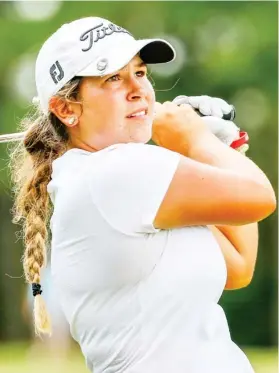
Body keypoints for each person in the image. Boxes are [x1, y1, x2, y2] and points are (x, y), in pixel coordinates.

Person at [6, 16, 276, 373]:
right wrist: (195, 140)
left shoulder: (117, 180)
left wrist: (221, 145)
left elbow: (238, 265)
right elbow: (260, 197)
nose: (138, 89)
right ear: (66, 109)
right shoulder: (115, 172)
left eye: (140, 72)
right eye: (112, 78)